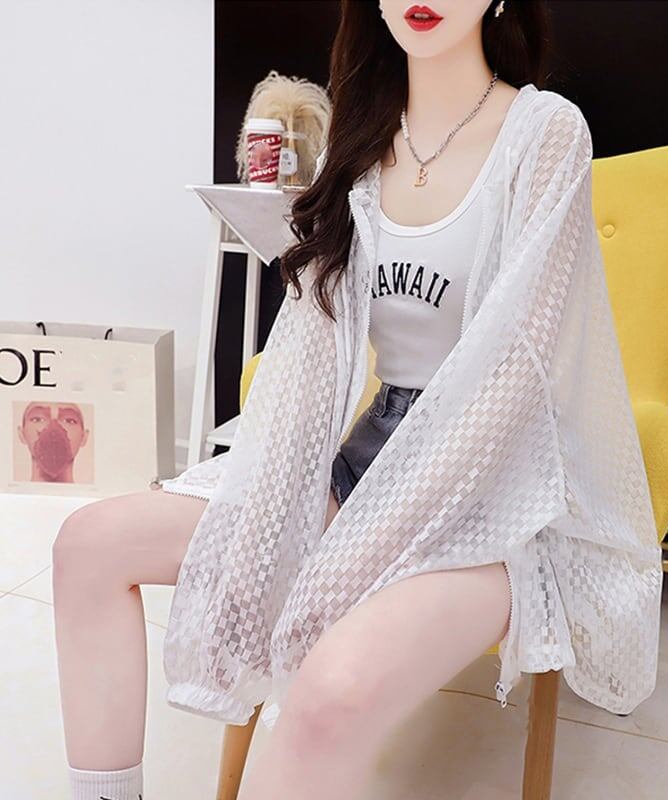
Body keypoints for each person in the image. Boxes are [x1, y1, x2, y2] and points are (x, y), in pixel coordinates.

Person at [53, 2, 587, 798]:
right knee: (90, 544)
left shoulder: (545, 133)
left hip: (495, 496)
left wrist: (349, 552)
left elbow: (518, 376)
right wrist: (277, 515)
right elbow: (309, 353)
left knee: (329, 692)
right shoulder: (363, 138)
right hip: (367, 459)